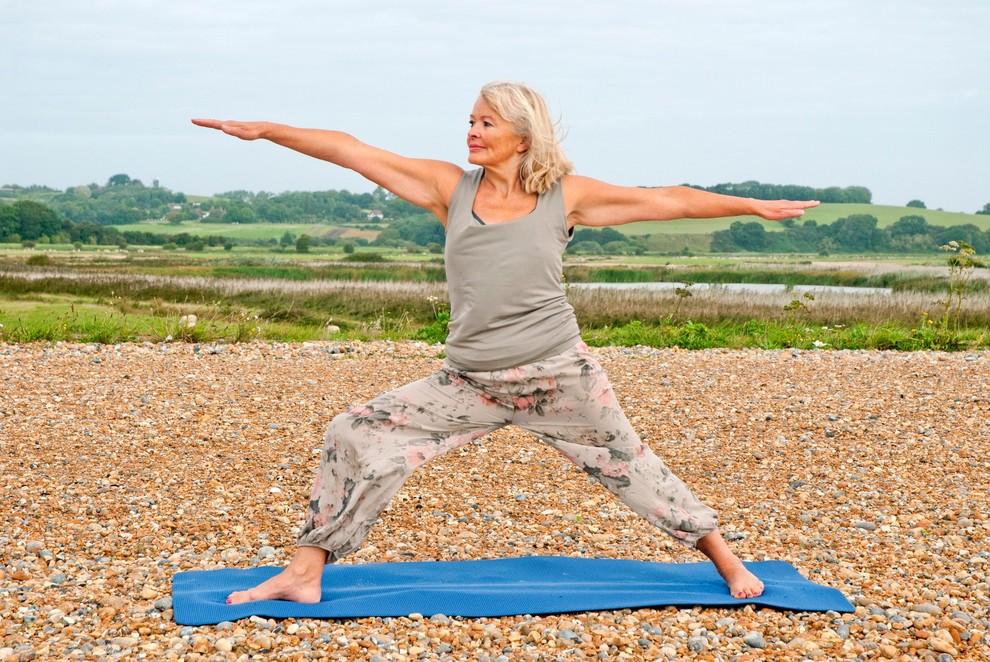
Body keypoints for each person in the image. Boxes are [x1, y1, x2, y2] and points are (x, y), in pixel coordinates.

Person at [192, 81, 818, 606]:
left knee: (630, 465)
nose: (471, 131)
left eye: (485, 122)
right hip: (468, 380)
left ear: (522, 135)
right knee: (353, 431)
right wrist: (267, 129)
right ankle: (306, 570)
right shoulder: (449, 189)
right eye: (469, 120)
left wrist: (750, 206)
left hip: (556, 377)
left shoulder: (564, 197)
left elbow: (667, 201)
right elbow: (352, 151)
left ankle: (726, 559)